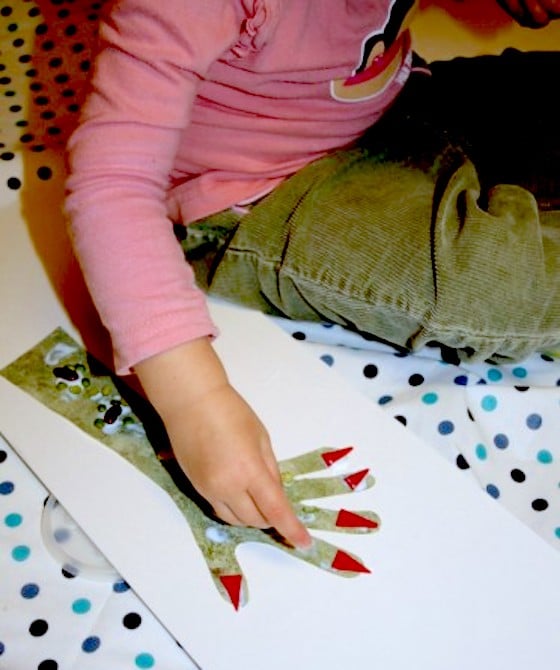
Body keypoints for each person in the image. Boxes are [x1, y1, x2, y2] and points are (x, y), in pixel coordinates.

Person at [65, 0, 560, 549]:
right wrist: (194, 401)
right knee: (496, 287)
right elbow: (111, 183)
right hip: (260, 190)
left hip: (398, 104)